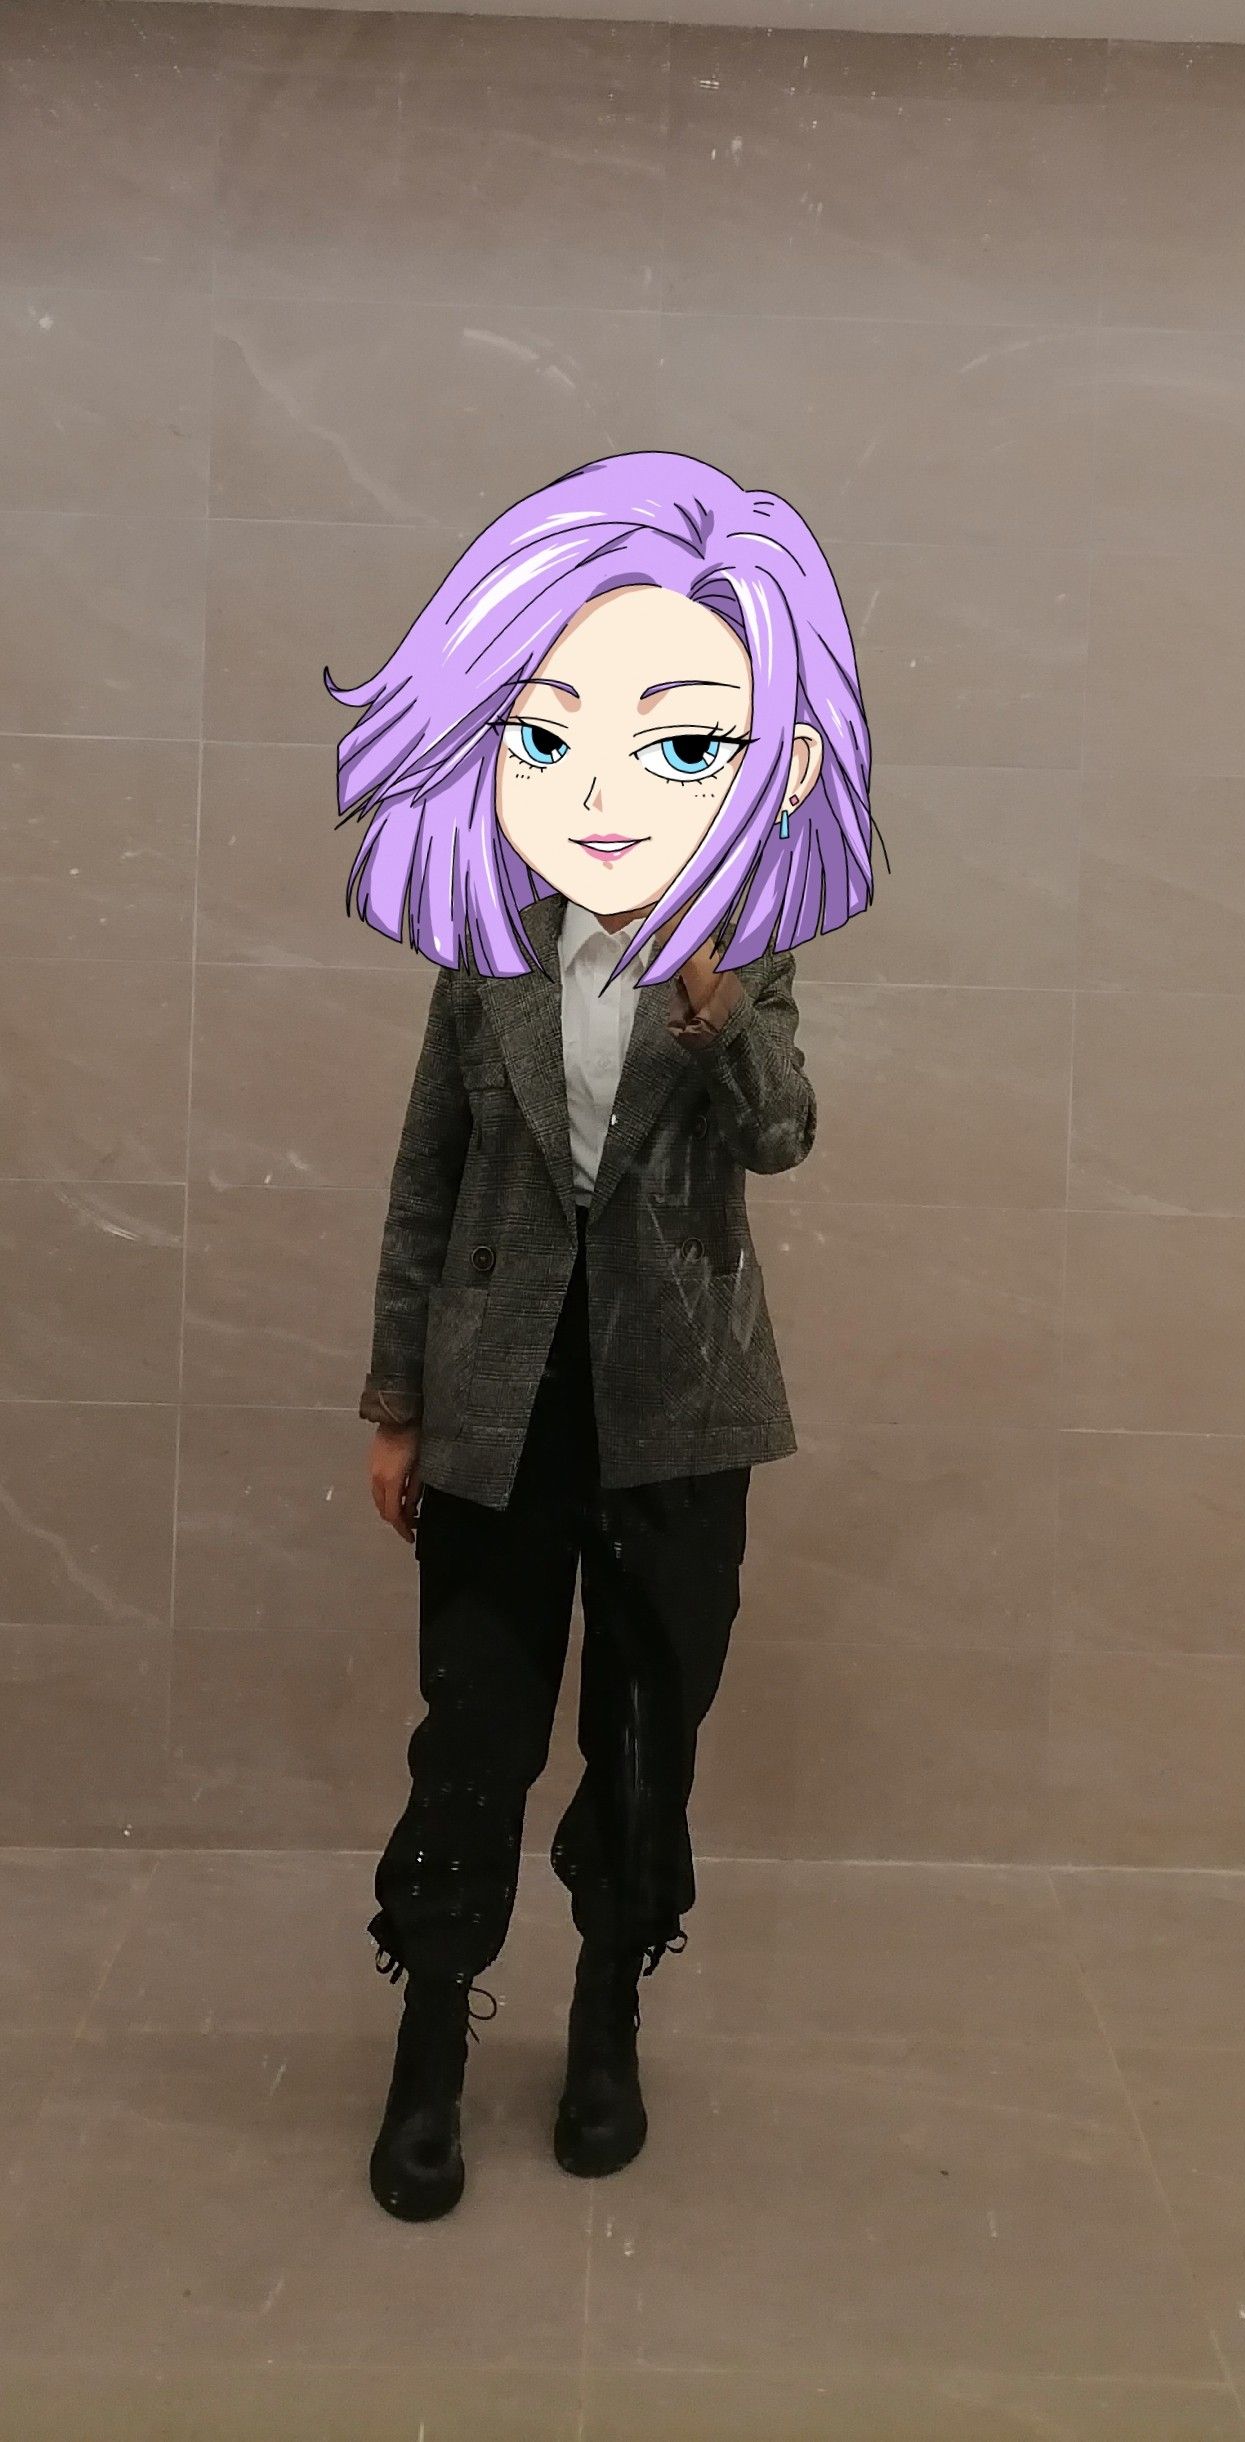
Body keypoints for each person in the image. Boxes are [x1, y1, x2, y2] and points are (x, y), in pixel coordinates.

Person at [324, 452, 880, 2222]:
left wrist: (707, 990)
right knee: (473, 1729)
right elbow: (425, 1184)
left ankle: (604, 2020)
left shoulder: (749, 945)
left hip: (676, 1409)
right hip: (500, 1403)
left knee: (646, 1733)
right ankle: (429, 2040)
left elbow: (782, 1133)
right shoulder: (482, 951)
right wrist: (397, 1403)